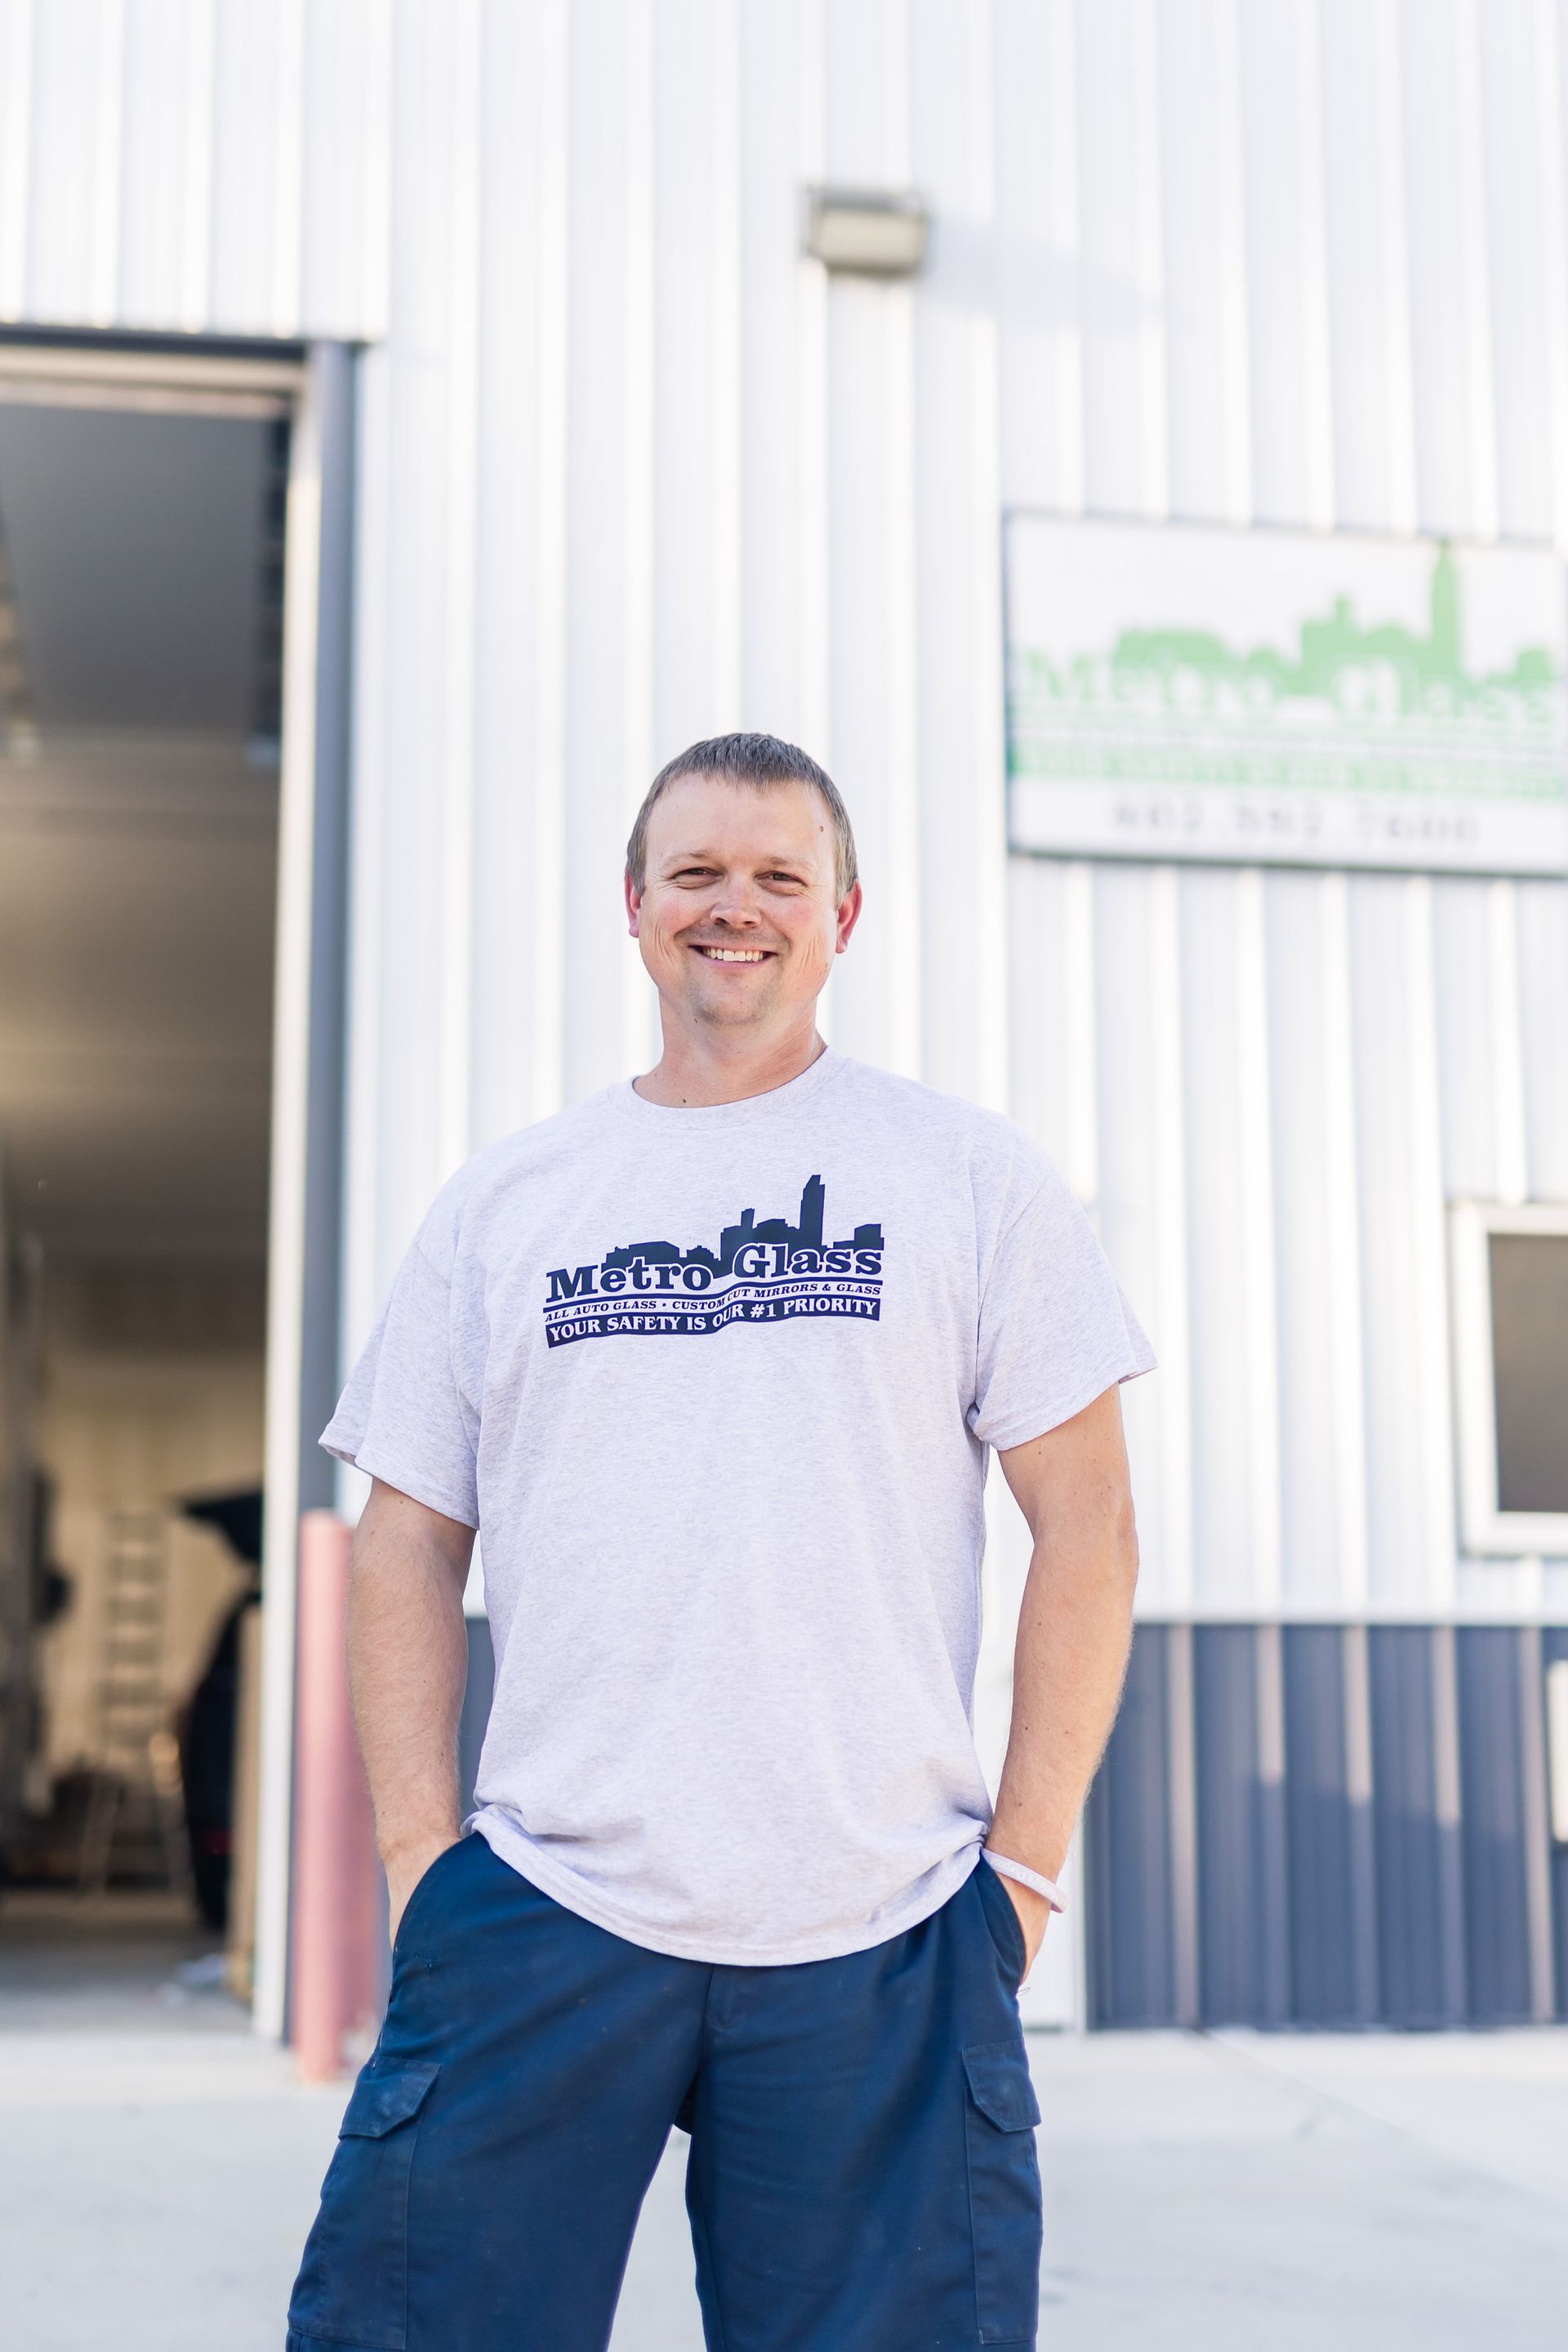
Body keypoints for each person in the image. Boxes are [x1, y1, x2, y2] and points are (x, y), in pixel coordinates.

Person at [286, 733, 1153, 2352]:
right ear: (633, 906)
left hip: (881, 1926)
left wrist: (1022, 1875)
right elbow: (403, 1543)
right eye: (695, 873)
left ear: (847, 914)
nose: (733, 908)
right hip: (545, 1908)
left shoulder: (964, 1179)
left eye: (776, 877)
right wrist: (421, 1864)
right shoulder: (510, 1203)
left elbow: (1089, 1529)